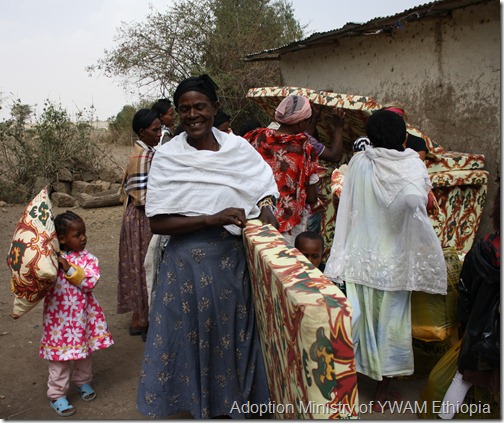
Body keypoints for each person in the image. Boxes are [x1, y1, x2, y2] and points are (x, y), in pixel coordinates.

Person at [136, 74, 279, 419]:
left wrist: (265, 212)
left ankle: (233, 404)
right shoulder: (169, 157)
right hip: (185, 266)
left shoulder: (238, 149)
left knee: (231, 338)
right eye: (184, 109)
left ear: (215, 108)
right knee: (190, 339)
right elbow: (157, 223)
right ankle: (195, 404)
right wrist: (211, 218)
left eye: (200, 106)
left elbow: (263, 191)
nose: (192, 115)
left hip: (232, 264)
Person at [324, 109, 447, 409]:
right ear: (403, 137)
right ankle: (381, 395)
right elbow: (415, 202)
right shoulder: (410, 166)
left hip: (360, 255)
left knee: (357, 324)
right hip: (391, 261)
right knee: (390, 326)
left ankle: (342, 388)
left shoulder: (359, 162)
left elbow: (349, 204)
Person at [40, 211, 113, 417]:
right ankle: (56, 394)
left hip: (83, 318)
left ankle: (83, 382)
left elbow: (89, 283)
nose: (83, 238)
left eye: (84, 233)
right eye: (77, 234)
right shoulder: (51, 260)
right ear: (62, 239)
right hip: (58, 321)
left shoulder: (88, 259)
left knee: (84, 354)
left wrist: (69, 268)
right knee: (59, 358)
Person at [438, 191, 500, 419]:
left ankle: (443, 417)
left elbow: (465, 292)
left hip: (479, 333)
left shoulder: (483, 248)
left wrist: (465, 326)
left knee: (462, 379)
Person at [245, 95, 320, 246]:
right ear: (301, 123)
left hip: (254, 217)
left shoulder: (256, 137)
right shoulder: (304, 148)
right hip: (288, 225)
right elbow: (311, 197)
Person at [117, 109, 161, 341]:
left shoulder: (145, 151)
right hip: (143, 216)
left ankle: (141, 316)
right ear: (142, 131)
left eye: (159, 128)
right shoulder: (143, 156)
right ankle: (143, 318)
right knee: (145, 264)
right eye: (155, 130)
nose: (159, 133)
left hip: (139, 215)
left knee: (140, 264)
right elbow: (142, 196)